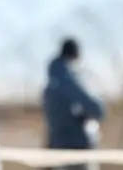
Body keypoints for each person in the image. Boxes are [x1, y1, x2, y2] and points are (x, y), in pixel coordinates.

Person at [42, 38, 105, 170]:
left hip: (58, 149)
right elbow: (97, 109)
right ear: (75, 56)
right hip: (77, 150)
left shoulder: (51, 84)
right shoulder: (68, 81)